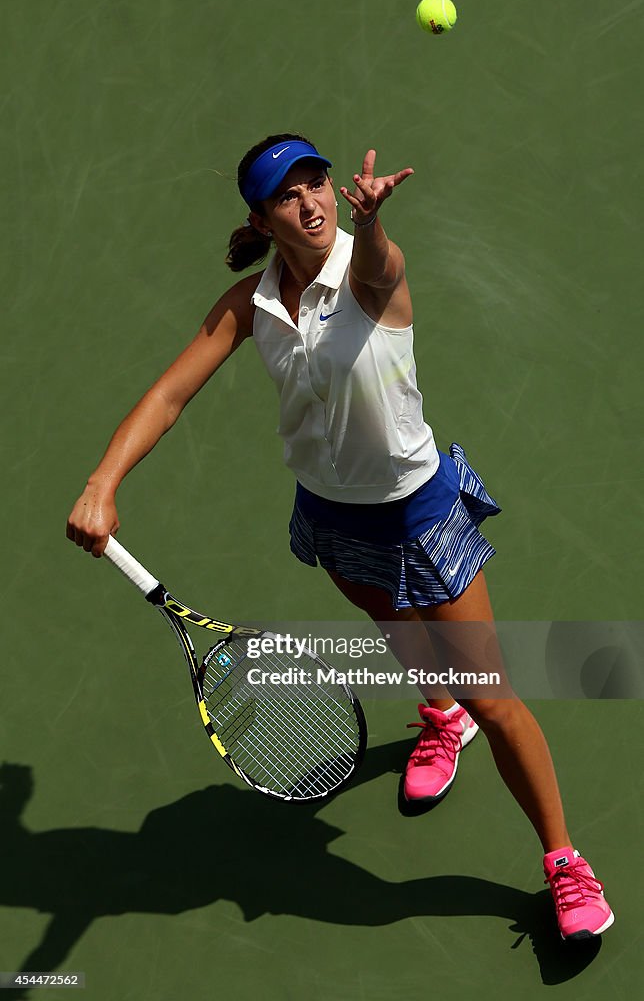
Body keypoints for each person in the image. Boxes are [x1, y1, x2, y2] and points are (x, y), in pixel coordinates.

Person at [67, 133, 614, 942]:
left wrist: (377, 224)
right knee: (403, 643)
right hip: (332, 519)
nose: (313, 201)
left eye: (318, 183)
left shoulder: (367, 273)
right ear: (262, 216)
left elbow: (380, 269)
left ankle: (565, 863)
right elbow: (169, 395)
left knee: (494, 697)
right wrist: (101, 481)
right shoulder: (246, 307)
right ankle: (439, 716)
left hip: (417, 516)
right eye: (290, 195)